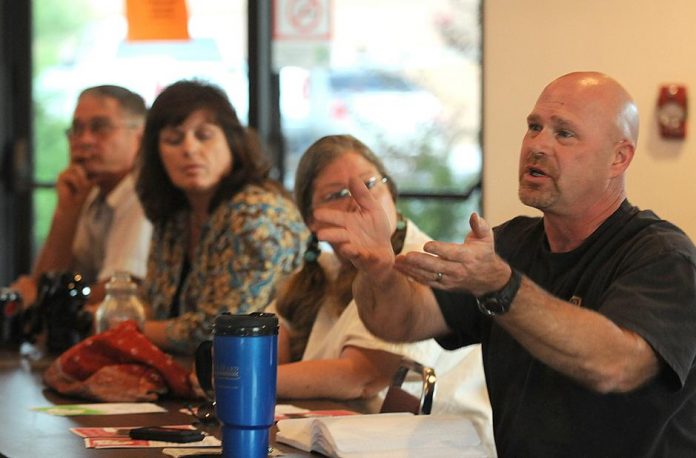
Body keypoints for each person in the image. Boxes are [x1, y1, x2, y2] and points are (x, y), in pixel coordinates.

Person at [314, 72, 696, 456]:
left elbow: (615, 365)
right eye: (534, 127)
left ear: (619, 157)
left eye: (564, 133)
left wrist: (502, 287)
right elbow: (404, 320)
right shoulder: (511, 243)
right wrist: (377, 269)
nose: (538, 145)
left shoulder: (663, 256)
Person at [267, 135, 495, 453]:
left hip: (438, 447)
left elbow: (361, 376)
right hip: (348, 438)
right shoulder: (324, 268)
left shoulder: (419, 260)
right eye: (336, 194)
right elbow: (266, 339)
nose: (358, 202)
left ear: (391, 192)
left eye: (369, 184)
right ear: (311, 220)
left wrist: (247, 378)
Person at [136, 79, 308, 355]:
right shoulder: (176, 213)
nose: (189, 149)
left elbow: (221, 328)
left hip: (267, 380)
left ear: (233, 140)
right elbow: (155, 304)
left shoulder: (257, 215)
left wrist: (131, 328)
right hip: (193, 376)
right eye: (173, 140)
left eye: (203, 135)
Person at [11, 85, 152, 306]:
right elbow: (46, 280)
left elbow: (119, 293)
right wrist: (66, 212)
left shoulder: (143, 193)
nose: (84, 140)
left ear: (140, 138)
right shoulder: (92, 190)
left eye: (100, 128)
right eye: (76, 129)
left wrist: (45, 300)